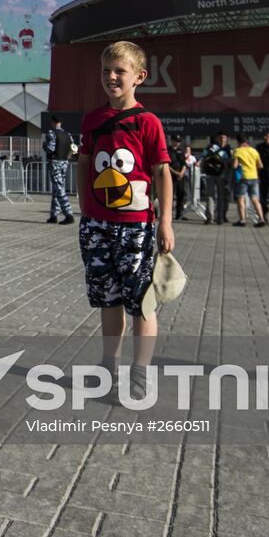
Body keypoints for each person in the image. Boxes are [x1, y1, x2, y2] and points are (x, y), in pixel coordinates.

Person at [75, 40, 174, 400]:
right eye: (106, 71)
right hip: (97, 225)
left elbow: (162, 172)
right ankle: (108, 367)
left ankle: (141, 374)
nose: (111, 77)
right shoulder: (92, 120)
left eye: (120, 71)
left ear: (140, 77)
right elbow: (84, 162)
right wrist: (85, 208)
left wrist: (165, 223)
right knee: (108, 299)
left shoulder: (148, 122)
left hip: (137, 226)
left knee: (141, 301)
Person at [43, 115, 74, 224]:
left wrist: (44, 145)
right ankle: (54, 215)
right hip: (64, 162)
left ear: (52, 122)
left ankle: (68, 214)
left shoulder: (52, 133)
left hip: (55, 162)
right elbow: (73, 148)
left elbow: (50, 149)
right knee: (57, 189)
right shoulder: (68, 134)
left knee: (59, 188)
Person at [232, 135, 267, 228]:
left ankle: (242, 220)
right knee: (255, 199)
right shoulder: (254, 151)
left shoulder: (237, 151)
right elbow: (260, 165)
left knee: (240, 199)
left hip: (243, 177)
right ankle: (261, 219)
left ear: (238, 142)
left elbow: (235, 166)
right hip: (254, 177)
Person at [199, 132, 232, 224]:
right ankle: (210, 217)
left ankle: (220, 217)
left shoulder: (228, 149)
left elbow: (231, 161)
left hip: (222, 174)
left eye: (224, 138)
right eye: (220, 138)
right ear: (217, 138)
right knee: (210, 195)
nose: (222, 139)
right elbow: (203, 155)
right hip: (210, 173)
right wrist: (199, 162)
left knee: (221, 196)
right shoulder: (211, 147)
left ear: (226, 139)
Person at [167, 136, 190, 221]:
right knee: (170, 196)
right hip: (171, 176)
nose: (177, 143)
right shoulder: (168, 151)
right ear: (172, 141)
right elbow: (167, 165)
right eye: (175, 141)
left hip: (180, 177)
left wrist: (181, 173)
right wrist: (176, 173)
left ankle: (179, 214)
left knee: (181, 195)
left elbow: (184, 164)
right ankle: (168, 214)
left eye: (178, 141)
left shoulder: (181, 151)